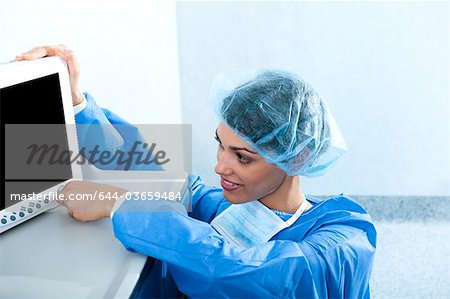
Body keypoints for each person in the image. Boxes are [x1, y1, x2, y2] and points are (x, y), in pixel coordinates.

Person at [15, 45, 377, 298]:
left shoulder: (345, 237)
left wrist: (120, 204)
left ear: (297, 159)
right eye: (220, 144)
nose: (220, 165)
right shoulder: (233, 209)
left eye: (243, 157)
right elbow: (149, 167)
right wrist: (75, 101)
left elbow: (249, 274)